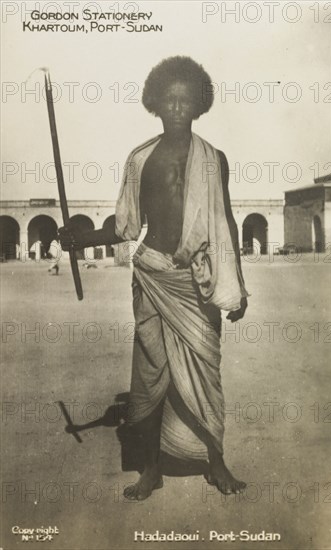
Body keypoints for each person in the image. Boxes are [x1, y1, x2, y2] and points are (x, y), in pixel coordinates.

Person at [59, 56, 249, 501]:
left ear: (200, 103)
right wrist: (81, 238)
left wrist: (237, 285)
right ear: (155, 103)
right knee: (150, 376)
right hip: (154, 276)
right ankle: (151, 468)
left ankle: (215, 461)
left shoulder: (214, 159)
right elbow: (124, 225)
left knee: (206, 372)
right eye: (170, 99)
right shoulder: (140, 158)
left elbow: (227, 221)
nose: (178, 107)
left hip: (197, 281)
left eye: (187, 99)